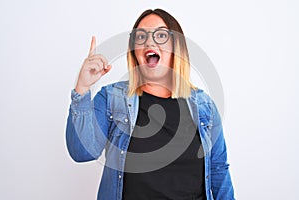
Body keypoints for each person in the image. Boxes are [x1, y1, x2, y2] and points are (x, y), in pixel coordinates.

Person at [66, 8, 235, 200]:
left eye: (161, 35)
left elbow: (219, 170)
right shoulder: (112, 98)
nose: (149, 42)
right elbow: (81, 153)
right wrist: (82, 88)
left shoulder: (204, 106)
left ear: (176, 48)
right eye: (140, 36)